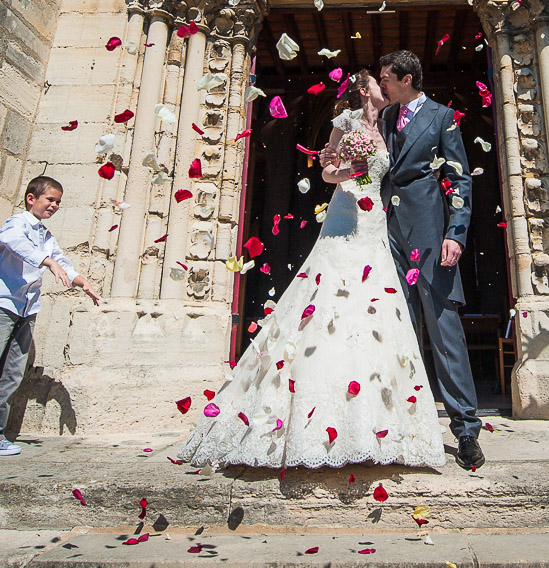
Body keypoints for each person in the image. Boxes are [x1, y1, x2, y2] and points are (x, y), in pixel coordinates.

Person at [179, 69, 446, 470]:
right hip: (345, 213)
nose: (385, 88)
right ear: (363, 90)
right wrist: (347, 171)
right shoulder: (344, 123)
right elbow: (325, 172)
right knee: (327, 302)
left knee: (372, 307)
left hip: (375, 223)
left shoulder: (393, 125)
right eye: (379, 82)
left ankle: (373, 423)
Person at [378, 50, 484, 470]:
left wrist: (454, 234)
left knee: (443, 330)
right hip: (387, 230)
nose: (382, 84)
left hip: (429, 229)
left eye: (386, 78)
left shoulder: (442, 117)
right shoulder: (385, 119)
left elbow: (458, 176)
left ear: (406, 79)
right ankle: (402, 423)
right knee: (395, 328)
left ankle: (467, 431)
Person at [0, 175, 99, 465]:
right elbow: (17, 245)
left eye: (58, 202)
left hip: (26, 309)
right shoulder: (16, 223)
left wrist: (83, 282)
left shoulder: (45, 235)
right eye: (49, 200)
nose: (54, 205)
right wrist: (48, 262)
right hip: (1, 305)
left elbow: (61, 259)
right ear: (32, 198)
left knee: (12, 374)